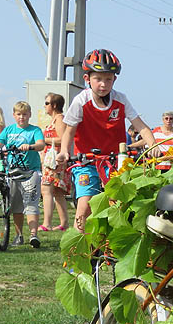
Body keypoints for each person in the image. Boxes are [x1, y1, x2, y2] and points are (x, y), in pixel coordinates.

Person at [57, 49, 158, 232]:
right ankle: (77, 251)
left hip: (115, 162)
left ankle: (111, 252)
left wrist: (153, 145)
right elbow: (69, 132)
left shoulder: (120, 99)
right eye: (98, 79)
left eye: (108, 79)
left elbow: (141, 126)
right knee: (85, 206)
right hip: (87, 161)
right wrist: (64, 150)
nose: (103, 84)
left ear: (114, 80)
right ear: (87, 79)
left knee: (121, 206)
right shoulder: (81, 101)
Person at [0, 101, 45, 247]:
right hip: (12, 172)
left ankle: (33, 235)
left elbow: (41, 144)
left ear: (29, 115)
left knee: (31, 203)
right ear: (14, 115)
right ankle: (18, 235)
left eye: (24, 114)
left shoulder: (34, 130)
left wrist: (30, 146)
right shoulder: (8, 130)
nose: (22, 117)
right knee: (16, 206)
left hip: (30, 171)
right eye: (19, 114)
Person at [39, 93, 70, 232]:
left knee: (47, 189)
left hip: (55, 160)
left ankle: (47, 223)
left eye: (46, 103)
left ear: (54, 105)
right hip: (52, 159)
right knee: (57, 191)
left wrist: (44, 140)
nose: (45, 106)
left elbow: (63, 138)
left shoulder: (60, 119)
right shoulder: (54, 120)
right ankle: (63, 223)